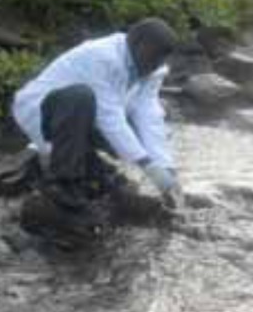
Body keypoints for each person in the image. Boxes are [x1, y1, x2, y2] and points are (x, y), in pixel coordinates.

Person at [12, 17, 183, 213]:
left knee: (137, 126)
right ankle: (62, 183)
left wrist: (165, 167)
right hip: (43, 112)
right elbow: (109, 117)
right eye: (152, 59)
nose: (155, 66)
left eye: (160, 61)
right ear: (136, 44)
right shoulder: (101, 57)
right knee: (79, 97)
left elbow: (148, 115)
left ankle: (92, 167)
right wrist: (147, 165)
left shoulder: (152, 68)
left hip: (82, 117)